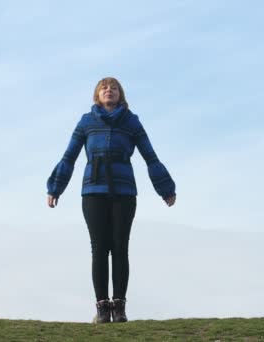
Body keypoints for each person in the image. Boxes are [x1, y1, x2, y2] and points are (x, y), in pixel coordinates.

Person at [46, 77, 176, 323]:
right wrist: (55, 187)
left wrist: (165, 189)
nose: (109, 90)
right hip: (93, 192)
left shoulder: (131, 122)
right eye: (104, 87)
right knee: (99, 248)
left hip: (124, 193)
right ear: (97, 95)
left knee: (119, 247)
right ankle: (102, 307)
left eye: (114, 88)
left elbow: (150, 156)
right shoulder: (86, 122)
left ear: (120, 95)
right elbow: (69, 157)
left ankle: (119, 305)